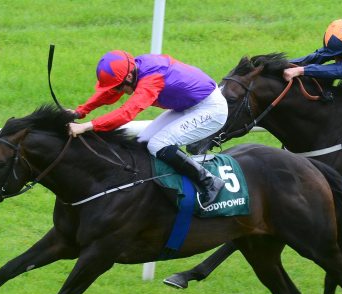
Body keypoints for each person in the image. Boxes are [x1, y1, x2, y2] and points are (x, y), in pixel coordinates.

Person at [68, 50, 227, 206]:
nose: (117, 91)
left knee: (158, 144)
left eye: (118, 87)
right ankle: (154, 187)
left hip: (211, 109)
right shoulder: (132, 69)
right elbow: (108, 94)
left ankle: (209, 181)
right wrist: (80, 111)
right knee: (142, 142)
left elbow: (126, 113)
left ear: (129, 77)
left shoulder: (151, 79)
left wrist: (87, 126)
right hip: (188, 106)